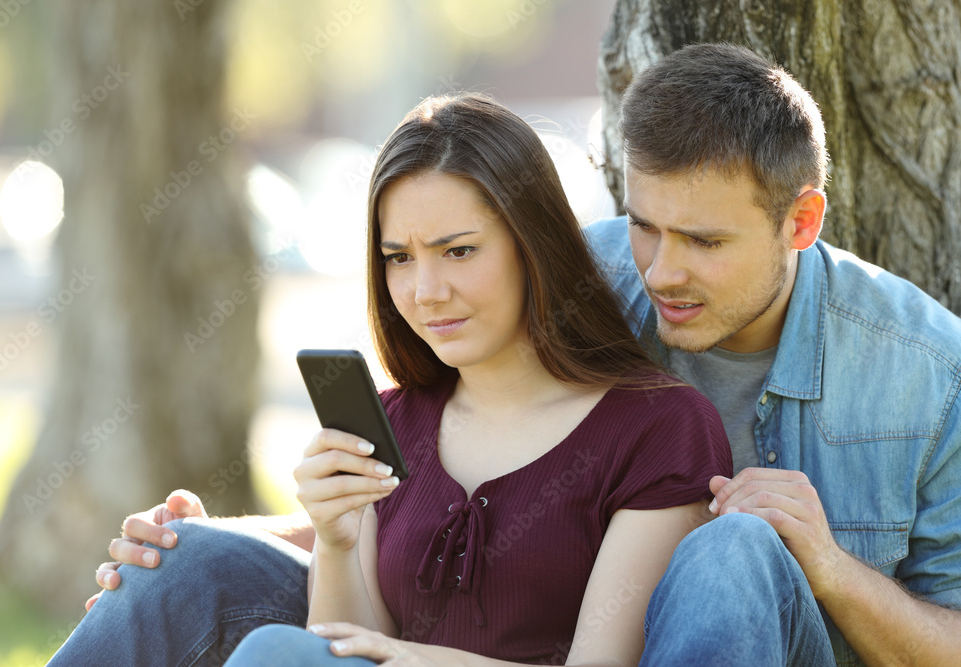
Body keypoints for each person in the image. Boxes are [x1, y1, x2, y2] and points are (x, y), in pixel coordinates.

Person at [49, 93, 732, 665]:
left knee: (271, 653)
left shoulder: (659, 429)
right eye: (398, 257)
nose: (425, 290)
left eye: (458, 251)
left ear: (534, 246)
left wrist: (419, 658)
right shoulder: (394, 422)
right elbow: (342, 647)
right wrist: (338, 539)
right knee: (199, 575)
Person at [583, 42, 961, 665]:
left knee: (734, 551)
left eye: (704, 241)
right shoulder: (572, 291)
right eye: (644, 226)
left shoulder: (930, 374)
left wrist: (830, 568)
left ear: (801, 223)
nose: (660, 273)